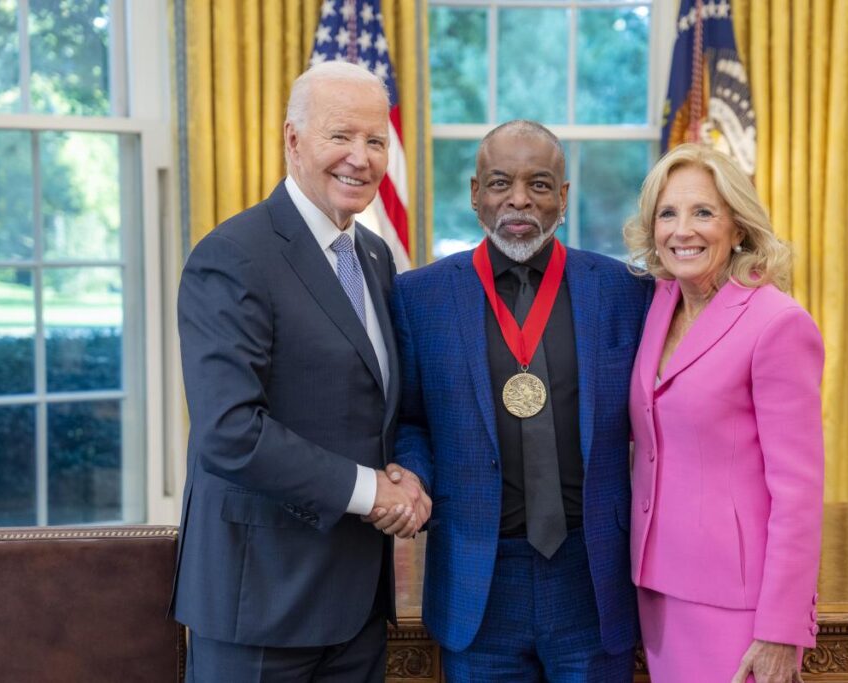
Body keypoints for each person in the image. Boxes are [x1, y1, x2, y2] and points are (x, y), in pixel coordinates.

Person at [171, 61, 430, 682]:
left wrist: (409, 477)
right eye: (340, 136)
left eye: (375, 140)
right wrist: (374, 493)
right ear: (293, 140)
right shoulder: (233, 256)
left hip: (355, 605)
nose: (361, 158)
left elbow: (377, 404)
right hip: (260, 601)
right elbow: (231, 431)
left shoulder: (372, 255)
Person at [388, 120, 652, 681]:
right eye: (500, 181)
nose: (518, 198)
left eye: (538, 183)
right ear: (475, 193)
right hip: (478, 579)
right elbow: (410, 421)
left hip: (592, 574)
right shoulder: (419, 297)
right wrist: (411, 478)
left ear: (563, 196)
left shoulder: (627, 292)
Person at [623, 142, 824, 683]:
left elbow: (798, 491)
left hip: (736, 604)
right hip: (656, 586)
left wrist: (782, 627)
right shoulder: (658, 305)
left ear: (738, 228)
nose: (682, 230)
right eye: (668, 213)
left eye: (703, 212)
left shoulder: (777, 324)